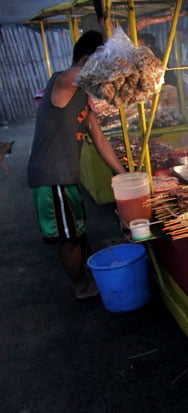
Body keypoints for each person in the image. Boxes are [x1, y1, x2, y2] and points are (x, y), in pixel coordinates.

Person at [27, 30, 126, 300]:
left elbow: (100, 140)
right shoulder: (65, 79)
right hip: (51, 174)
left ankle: (89, 276)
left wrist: (124, 175)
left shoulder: (82, 96)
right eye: (100, 58)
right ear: (88, 58)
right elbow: (100, 75)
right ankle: (81, 286)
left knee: (78, 232)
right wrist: (120, 57)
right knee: (69, 237)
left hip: (65, 174)